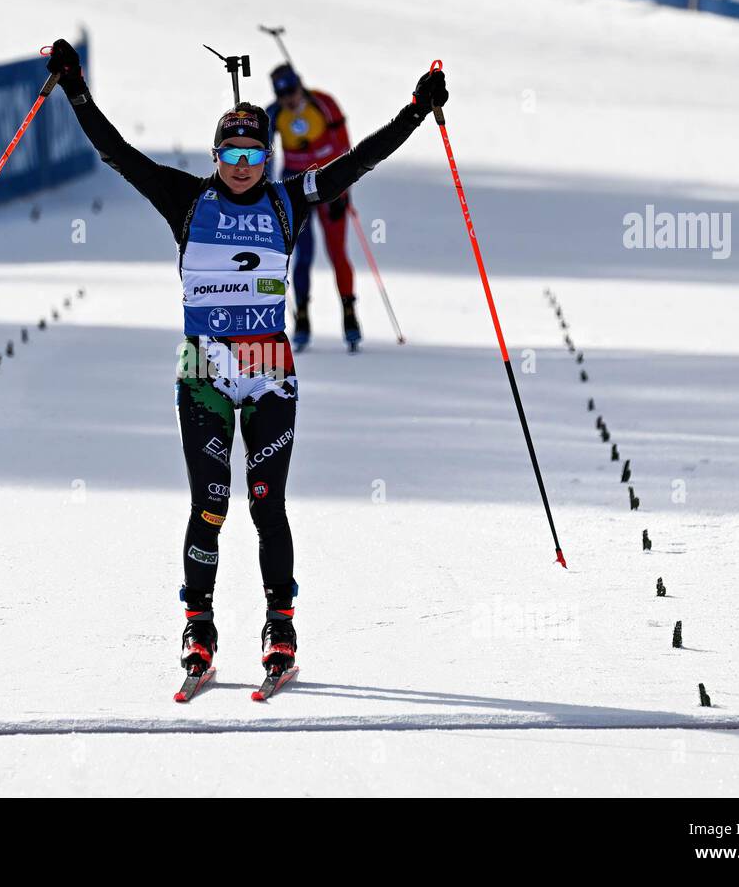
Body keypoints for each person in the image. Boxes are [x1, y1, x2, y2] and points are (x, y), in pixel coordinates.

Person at [44, 38, 447, 679]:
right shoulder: (186, 199)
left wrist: (415, 112)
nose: (241, 166)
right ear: (215, 157)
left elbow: (355, 162)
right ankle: (198, 626)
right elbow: (115, 153)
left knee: (266, 504)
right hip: (203, 376)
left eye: (253, 154)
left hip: (268, 378)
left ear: (268, 155)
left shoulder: (287, 201)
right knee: (210, 503)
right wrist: (75, 89)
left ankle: (279, 625)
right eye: (230, 154)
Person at [266, 63, 358, 351]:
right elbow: (265, 157)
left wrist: (343, 189)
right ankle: (302, 317)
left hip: (329, 185)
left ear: (300, 86)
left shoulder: (323, 104)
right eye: (283, 96)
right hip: (296, 188)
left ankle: (349, 313)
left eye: (292, 91)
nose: (289, 100)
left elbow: (345, 149)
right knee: (303, 254)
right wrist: (266, 192)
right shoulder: (274, 114)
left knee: (336, 252)